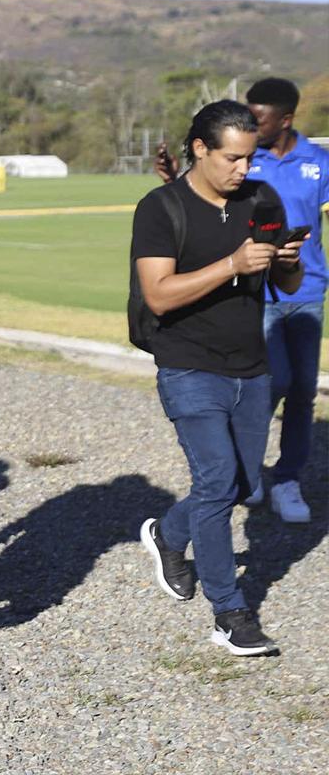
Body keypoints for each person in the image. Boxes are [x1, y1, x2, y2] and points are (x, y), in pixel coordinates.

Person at [136, 101, 305, 657]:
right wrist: (233, 264)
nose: (243, 169)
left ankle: (168, 534)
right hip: (187, 364)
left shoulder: (262, 198)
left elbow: (288, 277)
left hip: (250, 366)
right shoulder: (161, 208)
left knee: (240, 485)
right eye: (232, 157)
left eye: (250, 158)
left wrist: (284, 258)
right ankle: (230, 613)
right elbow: (159, 293)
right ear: (201, 149)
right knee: (215, 481)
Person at [154, 79, 327, 523]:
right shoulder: (246, 161)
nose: (250, 122)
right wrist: (177, 178)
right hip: (255, 293)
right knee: (271, 383)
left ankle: (287, 480)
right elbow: (207, 200)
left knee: (303, 393)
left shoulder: (319, 162)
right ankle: (242, 475)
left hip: (304, 291)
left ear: (285, 119)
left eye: (260, 116)